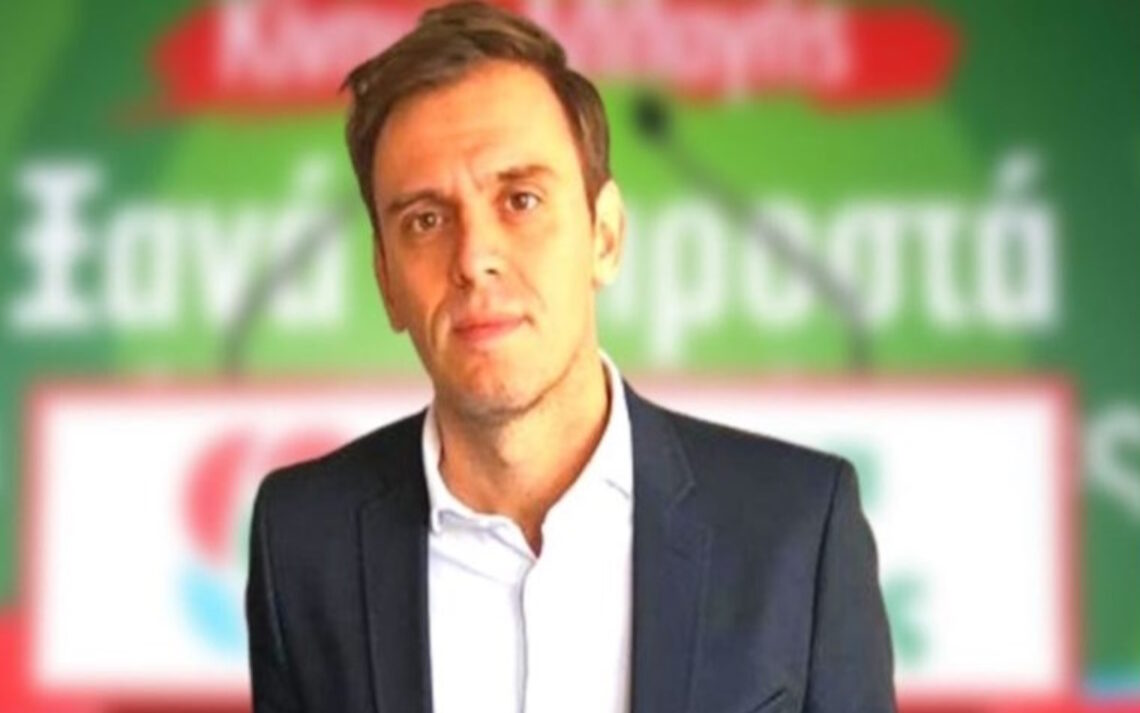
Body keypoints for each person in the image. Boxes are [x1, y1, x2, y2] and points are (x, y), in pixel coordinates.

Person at [244, 2, 895, 712]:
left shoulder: (798, 530)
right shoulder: (301, 541)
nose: (475, 258)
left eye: (520, 199)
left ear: (605, 237)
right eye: (425, 220)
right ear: (386, 282)